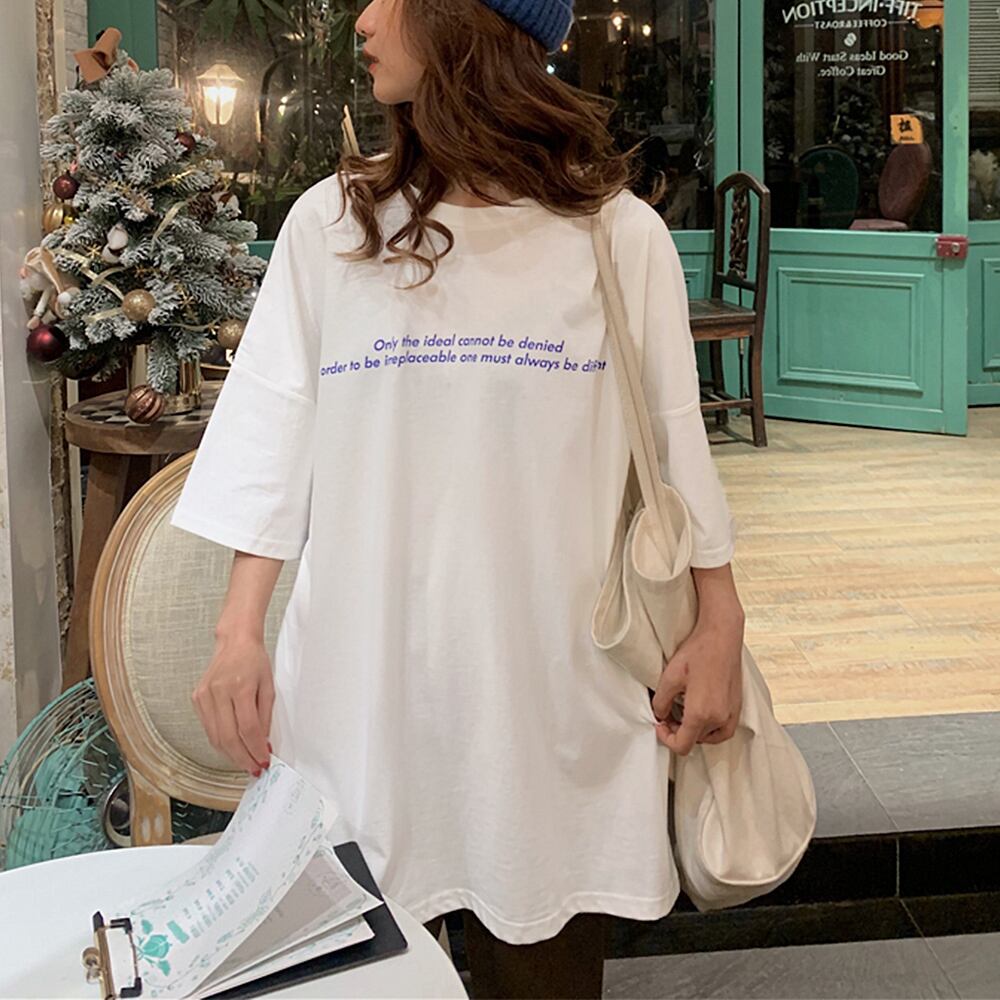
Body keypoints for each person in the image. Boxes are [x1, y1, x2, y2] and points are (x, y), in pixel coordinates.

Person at [169, 0, 746, 996]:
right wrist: (237, 630)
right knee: (359, 969)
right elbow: (272, 428)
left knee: (543, 967)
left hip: (551, 696)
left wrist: (720, 617)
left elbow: (672, 446)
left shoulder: (616, 236)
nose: (362, 19)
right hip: (361, 693)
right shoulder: (333, 224)